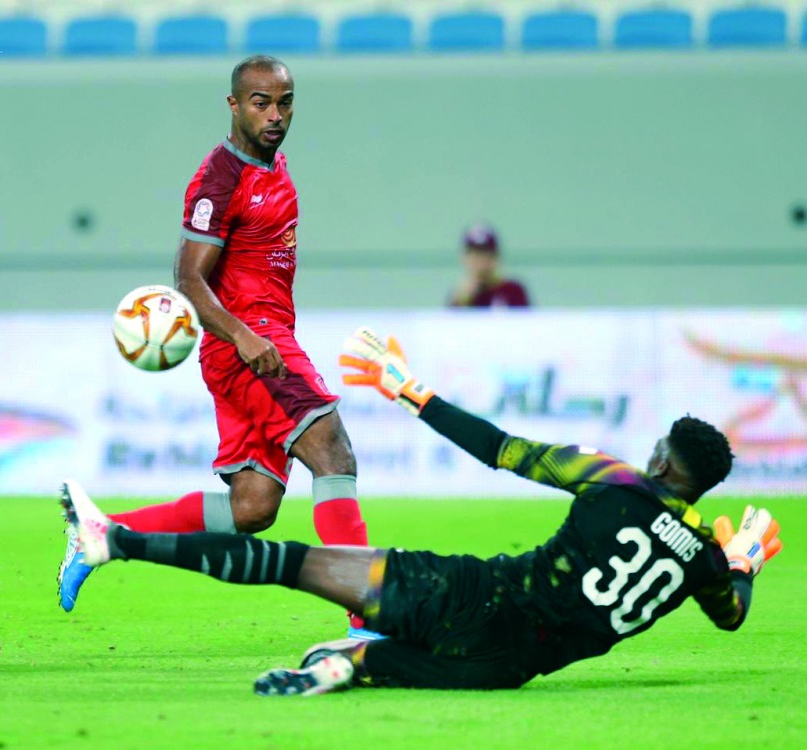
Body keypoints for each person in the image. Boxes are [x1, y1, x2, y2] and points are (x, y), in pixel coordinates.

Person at [59, 326, 781, 695]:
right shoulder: (703, 560)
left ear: (663, 464)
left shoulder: (614, 481)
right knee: (360, 660)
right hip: (504, 666)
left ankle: (115, 542)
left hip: (468, 594)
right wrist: (742, 559)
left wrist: (410, 390)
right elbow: (731, 613)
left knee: (287, 561)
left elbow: (502, 449)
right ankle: (348, 666)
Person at [59, 56, 376, 638]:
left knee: (251, 508)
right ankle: (369, 616)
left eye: (285, 103)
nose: (275, 115)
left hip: (260, 341)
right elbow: (188, 280)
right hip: (249, 346)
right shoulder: (220, 180)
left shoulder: (272, 163)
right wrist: (244, 335)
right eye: (261, 103)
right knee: (335, 455)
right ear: (234, 105)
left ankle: (104, 533)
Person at [447, 223, 530, 308]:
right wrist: (462, 302)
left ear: (496, 258)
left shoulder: (512, 291)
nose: (480, 263)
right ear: (464, 258)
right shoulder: (459, 296)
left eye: (486, 255)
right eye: (475, 256)